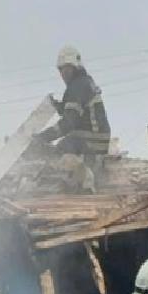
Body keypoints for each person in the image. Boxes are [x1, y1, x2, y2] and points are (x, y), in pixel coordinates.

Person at [34, 45, 111, 188]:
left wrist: (43, 137)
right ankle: (86, 173)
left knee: (64, 147)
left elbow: (68, 123)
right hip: (98, 137)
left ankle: (83, 181)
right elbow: (73, 113)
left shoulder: (77, 86)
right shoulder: (83, 83)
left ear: (74, 67)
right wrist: (58, 106)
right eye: (61, 70)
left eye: (66, 69)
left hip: (93, 138)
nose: (63, 74)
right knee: (68, 143)